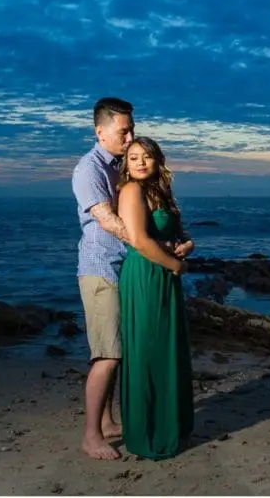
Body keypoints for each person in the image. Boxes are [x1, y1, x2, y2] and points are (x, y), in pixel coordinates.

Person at [116, 136, 196, 460]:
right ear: (126, 164)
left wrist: (187, 245)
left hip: (165, 275)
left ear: (157, 160)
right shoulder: (131, 190)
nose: (139, 163)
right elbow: (139, 240)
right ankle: (147, 433)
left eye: (146, 156)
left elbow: (177, 234)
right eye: (133, 157)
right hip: (146, 275)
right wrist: (178, 266)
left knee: (168, 349)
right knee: (148, 350)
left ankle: (172, 424)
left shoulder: (161, 191)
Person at [71, 97, 135, 461]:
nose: (129, 138)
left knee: (117, 351)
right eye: (122, 131)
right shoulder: (89, 169)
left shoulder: (120, 165)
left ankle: (108, 422)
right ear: (100, 131)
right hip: (99, 269)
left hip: (122, 267)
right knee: (106, 355)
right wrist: (151, 244)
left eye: (131, 130)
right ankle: (91, 436)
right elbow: (108, 220)